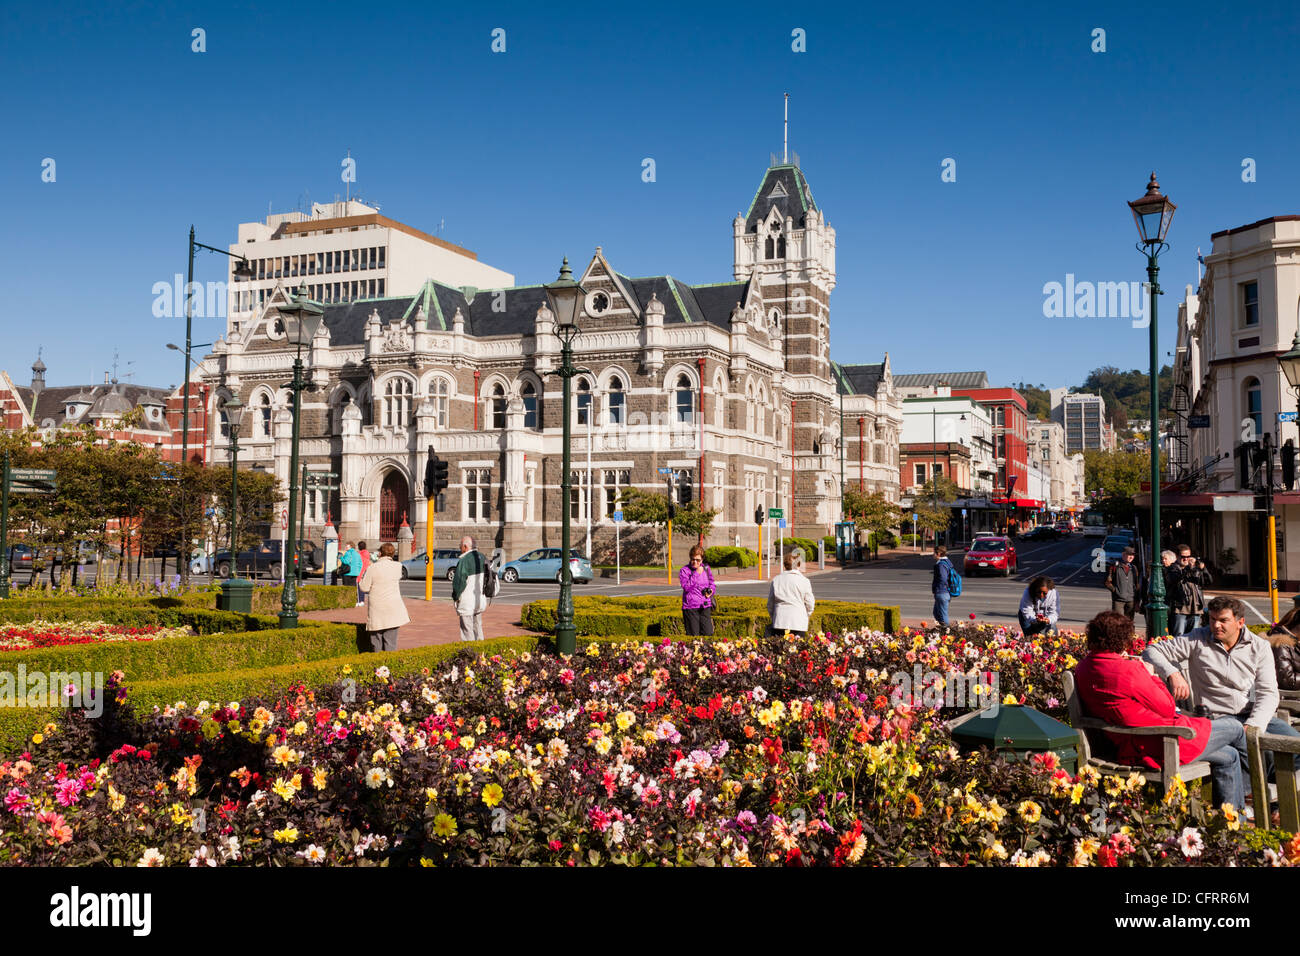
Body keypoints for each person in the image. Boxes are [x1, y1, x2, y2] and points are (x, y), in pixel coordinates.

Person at [1075, 611, 1247, 809]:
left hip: (1125, 743)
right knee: (1234, 727)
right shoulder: (1129, 670)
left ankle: (1235, 818)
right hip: (1159, 744)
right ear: (1122, 640)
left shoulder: (1084, 667)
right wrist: (1152, 675)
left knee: (1229, 755)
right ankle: (1258, 790)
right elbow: (1166, 707)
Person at [1143, 595, 1300, 796]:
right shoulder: (1197, 638)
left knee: (1293, 744)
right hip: (1217, 719)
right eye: (1212, 619)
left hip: (1251, 715)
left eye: (1223, 620)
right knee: (1260, 748)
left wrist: (1255, 724)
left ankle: (1274, 798)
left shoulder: (1258, 647)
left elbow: (1268, 692)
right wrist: (1172, 673)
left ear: (1240, 622)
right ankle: (1266, 802)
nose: (1216, 625)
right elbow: (1152, 651)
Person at [358, 542, 409, 652]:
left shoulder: (373, 568)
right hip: (393, 609)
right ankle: (389, 667)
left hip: (377, 609)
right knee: (391, 643)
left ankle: (378, 667)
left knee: (376, 643)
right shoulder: (398, 566)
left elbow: (364, 587)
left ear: (380, 553)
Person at [767, 547, 815, 638]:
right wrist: (805, 614)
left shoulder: (776, 580)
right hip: (798, 622)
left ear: (785, 565)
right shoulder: (804, 581)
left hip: (779, 621)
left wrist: (774, 616)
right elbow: (810, 604)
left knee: (779, 650)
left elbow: (770, 604)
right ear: (798, 565)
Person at [452, 534, 487, 642]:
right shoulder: (482, 557)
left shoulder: (464, 561)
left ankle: (471, 656)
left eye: (460, 545)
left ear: (466, 546)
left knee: (467, 632)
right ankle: (482, 654)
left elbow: (459, 583)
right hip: (480, 600)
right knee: (478, 628)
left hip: (467, 602)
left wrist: (456, 597)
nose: (459, 548)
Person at [1169, 545, 1211, 636]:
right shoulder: (1173, 568)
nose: (1186, 559)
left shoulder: (1194, 568)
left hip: (1196, 608)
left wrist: (1203, 569)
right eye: (1183, 557)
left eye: (1188, 557)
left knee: (1193, 637)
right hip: (1180, 608)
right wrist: (1189, 568)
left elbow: (1208, 582)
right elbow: (1177, 578)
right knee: (1178, 637)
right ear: (1177, 556)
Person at [679, 545, 716, 636]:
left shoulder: (706, 569)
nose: (695, 562)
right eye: (693, 559)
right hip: (691, 607)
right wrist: (696, 574)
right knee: (693, 636)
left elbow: (712, 583)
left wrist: (711, 591)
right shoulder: (684, 571)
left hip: (705, 606)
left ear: (702, 560)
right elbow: (686, 587)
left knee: (708, 633)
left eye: (698, 560)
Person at [1105, 547, 1141, 619]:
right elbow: (1107, 582)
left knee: (1129, 622)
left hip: (1131, 600)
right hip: (1118, 601)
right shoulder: (1115, 566)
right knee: (1118, 621)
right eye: (1129, 555)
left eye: (1133, 555)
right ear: (1123, 555)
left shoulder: (1134, 568)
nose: (1131, 557)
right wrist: (1116, 591)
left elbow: (1137, 585)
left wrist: (1137, 600)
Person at [931, 545, 955, 631]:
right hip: (944, 592)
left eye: (934, 553)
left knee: (942, 614)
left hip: (942, 592)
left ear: (939, 553)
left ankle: (947, 631)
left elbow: (943, 578)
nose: (933, 554)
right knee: (936, 613)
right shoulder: (947, 562)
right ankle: (943, 628)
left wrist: (938, 589)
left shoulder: (941, 565)